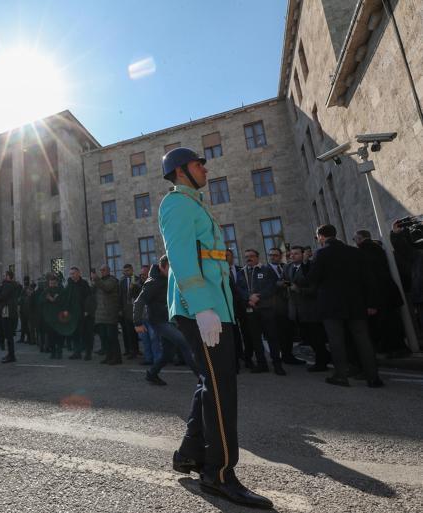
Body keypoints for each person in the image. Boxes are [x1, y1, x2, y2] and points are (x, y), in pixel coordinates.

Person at [160, 147, 272, 509]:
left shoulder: (196, 204)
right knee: (222, 385)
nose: (204, 168)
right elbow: (180, 257)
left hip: (214, 306)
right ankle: (220, 473)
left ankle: (190, 454)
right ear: (180, 172)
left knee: (211, 380)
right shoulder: (176, 204)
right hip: (200, 307)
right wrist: (203, 306)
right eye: (197, 164)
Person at [308, 224, 383, 388]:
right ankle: (373, 377)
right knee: (363, 340)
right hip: (356, 303)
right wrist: (371, 303)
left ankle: (341, 376)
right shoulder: (355, 252)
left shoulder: (321, 253)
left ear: (321, 236)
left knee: (336, 341)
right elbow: (369, 280)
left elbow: (313, 279)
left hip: (331, 305)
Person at [133, 256, 197, 386]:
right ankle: (204, 377)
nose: (173, 270)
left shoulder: (169, 280)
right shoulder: (153, 282)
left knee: (168, 353)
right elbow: (139, 301)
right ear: (162, 267)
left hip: (170, 320)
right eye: (170, 267)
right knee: (185, 343)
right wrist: (137, 323)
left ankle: (152, 374)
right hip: (159, 322)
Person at [353, 230, 407, 356]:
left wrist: (370, 301)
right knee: (393, 320)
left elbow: (369, 277)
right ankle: (398, 347)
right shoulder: (379, 249)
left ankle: (392, 348)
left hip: (377, 294)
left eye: (354, 239)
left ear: (360, 239)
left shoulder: (362, 252)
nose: (354, 242)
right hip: (389, 291)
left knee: (384, 324)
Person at [235, 249, 286, 375]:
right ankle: (262, 364)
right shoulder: (242, 272)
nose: (249, 258)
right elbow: (239, 289)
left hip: (266, 309)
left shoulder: (266, 270)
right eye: (246, 256)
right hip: (251, 310)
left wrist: (259, 296)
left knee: (272, 337)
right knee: (255, 339)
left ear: (257, 257)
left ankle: (277, 364)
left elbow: (272, 286)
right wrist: (249, 298)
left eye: (251, 256)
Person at [283, 246, 330, 371]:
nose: (292, 256)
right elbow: (281, 281)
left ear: (303, 254)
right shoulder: (287, 267)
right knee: (308, 338)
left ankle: (322, 362)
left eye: (296, 254)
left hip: (310, 309)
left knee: (317, 338)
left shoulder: (310, 267)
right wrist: (285, 284)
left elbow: (314, 288)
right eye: (291, 254)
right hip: (296, 311)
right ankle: (324, 357)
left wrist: (299, 290)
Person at [268, 247, 304, 365]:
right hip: (275, 306)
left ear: (280, 256)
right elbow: (275, 283)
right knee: (280, 334)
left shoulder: (286, 267)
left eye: (275, 255)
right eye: (271, 255)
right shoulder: (265, 269)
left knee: (288, 332)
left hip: (289, 305)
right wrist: (288, 284)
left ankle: (288, 355)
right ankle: (281, 357)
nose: (273, 257)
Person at [0, 270, 20, 363]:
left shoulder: (8, 285)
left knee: (8, 334)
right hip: (11, 311)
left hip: (7, 311)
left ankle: (11, 355)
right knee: (9, 334)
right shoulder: (13, 285)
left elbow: (3, 295)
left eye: (5, 275)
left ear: (9, 276)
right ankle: (10, 354)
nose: (4, 276)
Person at [66, 267, 91, 360]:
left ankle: (88, 354)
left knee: (85, 334)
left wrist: (86, 310)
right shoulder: (70, 284)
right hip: (73, 314)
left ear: (78, 273)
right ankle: (77, 352)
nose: (72, 275)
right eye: (71, 274)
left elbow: (89, 298)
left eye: (73, 273)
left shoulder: (84, 284)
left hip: (83, 313)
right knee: (75, 333)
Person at [118, 264, 141, 359]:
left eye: (127, 270)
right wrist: (120, 309)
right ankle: (129, 350)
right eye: (124, 271)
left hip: (136, 309)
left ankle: (137, 350)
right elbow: (120, 296)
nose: (126, 272)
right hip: (126, 310)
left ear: (132, 270)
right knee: (128, 331)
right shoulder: (122, 281)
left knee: (137, 331)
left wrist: (134, 286)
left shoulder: (137, 279)